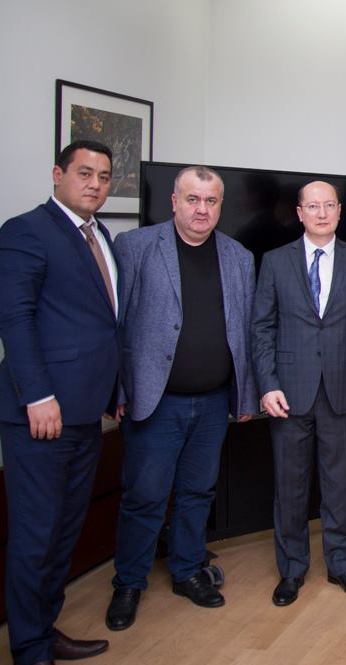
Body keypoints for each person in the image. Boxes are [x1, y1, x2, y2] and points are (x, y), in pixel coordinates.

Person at [0, 140, 120, 665]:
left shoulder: (100, 235)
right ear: (57, 174)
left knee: (64, 530)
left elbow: (105, 325)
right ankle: (31, 654)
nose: (95, 183)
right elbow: (14, 320)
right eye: (84, 173)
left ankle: (43, 629)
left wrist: (114, 391)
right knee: (35, 535)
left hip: (86, 411)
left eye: (104, 176)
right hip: (41, 413)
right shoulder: (26, 231)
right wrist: (37, 395)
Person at [105, 165, 258, 630]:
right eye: (193, 199)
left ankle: (188, 570)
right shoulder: (135, 248)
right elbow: (116, 326)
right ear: (174, 201)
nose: (201, 209)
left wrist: (245, 396)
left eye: (211, 201)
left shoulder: (238, 256)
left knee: (198, 492)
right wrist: (119, 390)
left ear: (220, 206)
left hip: (213, 402)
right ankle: (129, 583)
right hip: (156, 401)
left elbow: (245, 332)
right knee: (145, 496)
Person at [252, 181, 346, 606]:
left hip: (342, 390)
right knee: (290, 487)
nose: (322, 213)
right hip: (288, 393)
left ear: (340, 211)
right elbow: (262, 328)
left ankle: (341, 565)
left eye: (329, 206)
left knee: (339, 485)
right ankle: (291, 569)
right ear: (300, 212)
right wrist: (267, 384)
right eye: (313, 206)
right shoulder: (275, 261)